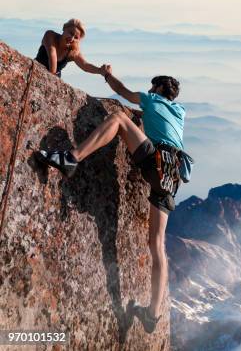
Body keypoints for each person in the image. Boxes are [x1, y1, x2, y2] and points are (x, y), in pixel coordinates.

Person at [35, 66, 185, 333]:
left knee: (117, 118)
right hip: (171, 177)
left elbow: (122, 92)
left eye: (153, 87)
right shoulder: (180, 112)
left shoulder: (152, 99)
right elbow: (159, 122)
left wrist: (106, 74)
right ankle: (153, 314)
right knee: (157, 245)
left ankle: (71, 158)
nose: (149, 91)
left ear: (160, 89)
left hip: (156, 161)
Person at [35, 19, 107, 78]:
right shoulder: (50, 35)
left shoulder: (73, 50)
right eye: (71, 33)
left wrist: (100, 70)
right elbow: (52, 55)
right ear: (64, 28)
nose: (72, 38)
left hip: (54, 78)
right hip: (37, 71)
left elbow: (85, 65)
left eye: (76, 38)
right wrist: (51, 78)